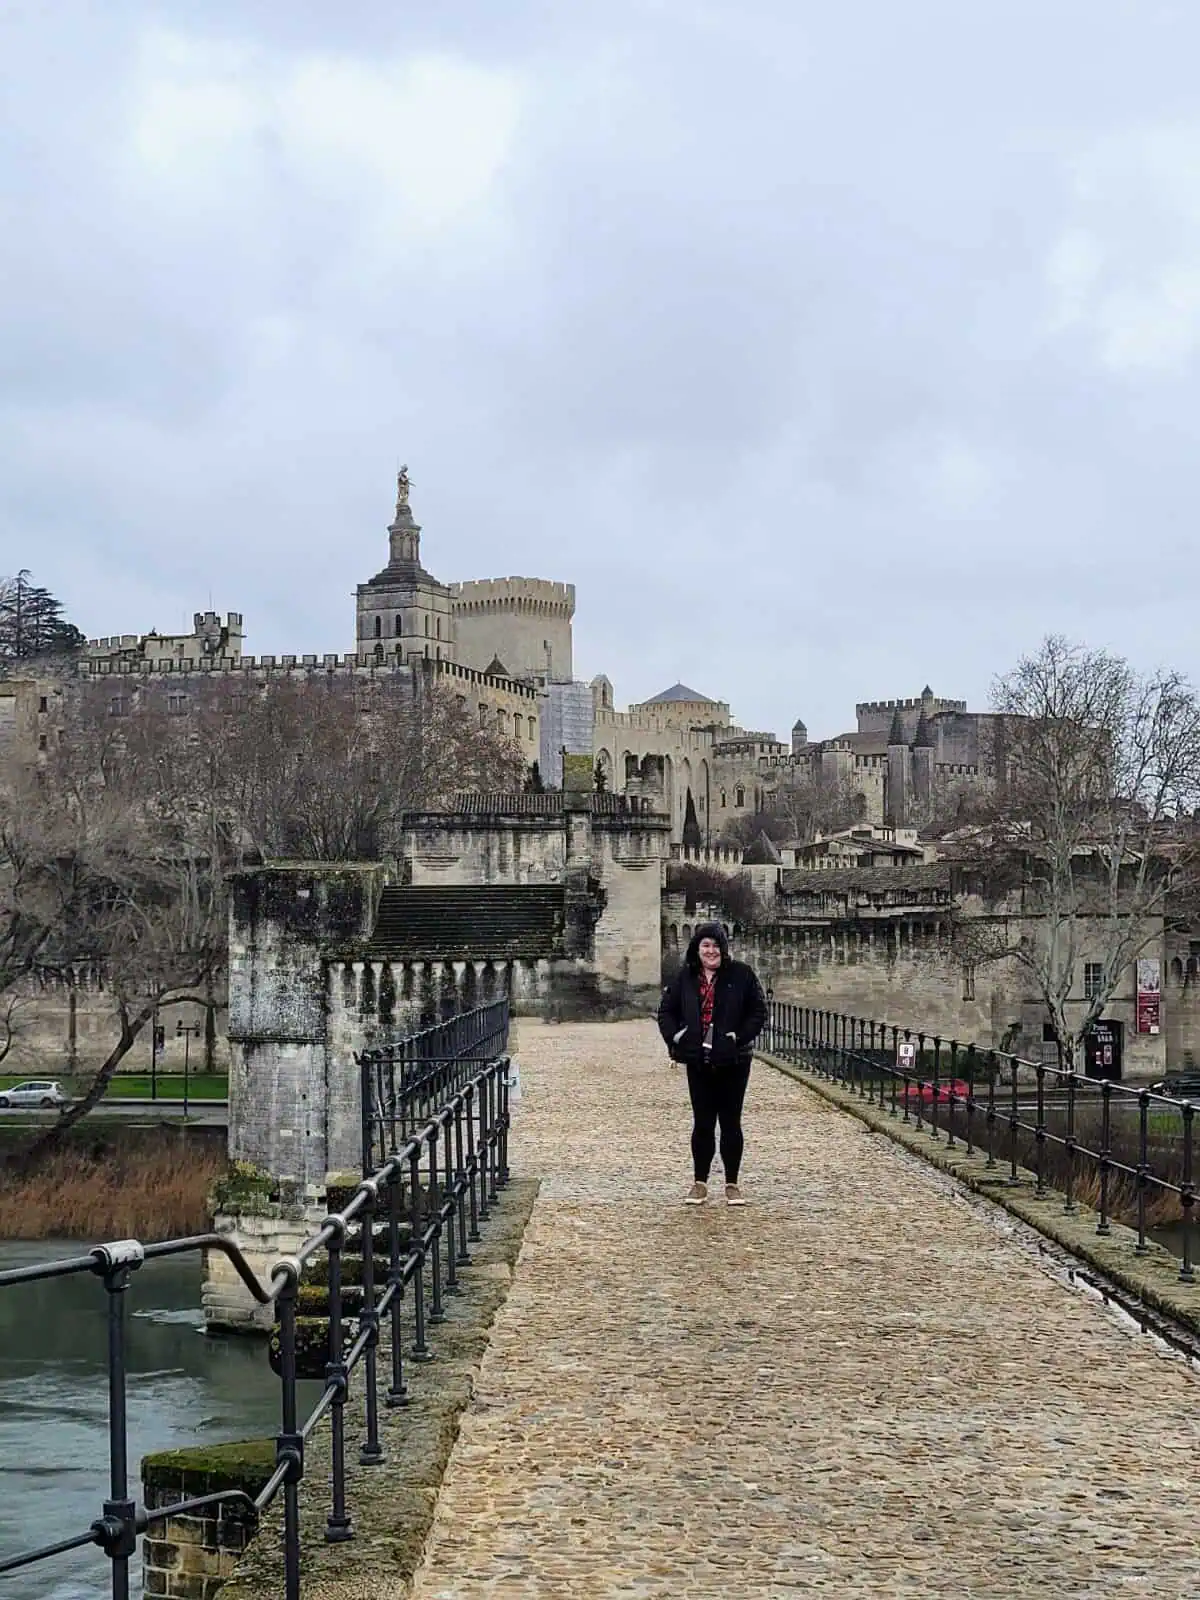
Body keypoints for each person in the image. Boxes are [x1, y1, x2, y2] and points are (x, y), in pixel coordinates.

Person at [657, 922, 767, 1206]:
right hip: (698, 1059)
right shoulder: (686, 978)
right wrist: (677, 1038)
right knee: (703, 1122)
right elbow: (666, 1012)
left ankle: (732, 1183)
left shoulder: (741, 975)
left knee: (731, 1122)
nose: (711, 951)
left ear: (724, 948)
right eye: (706, 945)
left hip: (734, 1060)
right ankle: (699, 1182)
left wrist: (738, 1037)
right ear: (697, 949)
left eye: (716, 945)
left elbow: (758, 1011)